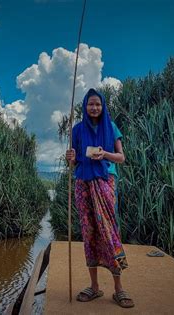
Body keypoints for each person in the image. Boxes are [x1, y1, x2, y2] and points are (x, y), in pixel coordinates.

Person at [65, 88, 134, 308]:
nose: (94, 107)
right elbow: (73, 163)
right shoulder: (77, 130)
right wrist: (71, 157)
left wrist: (104, 154)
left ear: (103, 106)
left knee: (108, 230)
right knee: (89, 231)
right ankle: (94, 287)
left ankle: (119, 289)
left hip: (105, 180)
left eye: (97, 104)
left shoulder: (111, 127)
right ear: (84, 107)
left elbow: (121, 158)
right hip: (82, 182)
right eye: (90, 104)